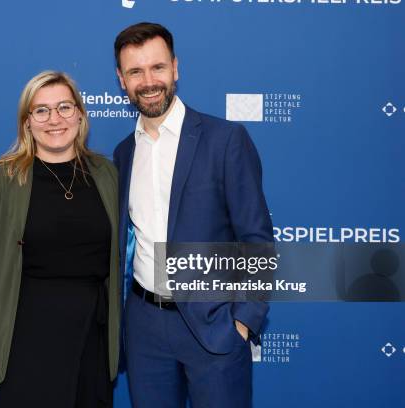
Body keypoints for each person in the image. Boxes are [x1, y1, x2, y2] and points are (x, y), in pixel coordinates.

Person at [112, 22, 273, 407]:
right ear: (121, 80)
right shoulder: (123, 154)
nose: (149, 81)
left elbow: (257, 238)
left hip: (215, 325)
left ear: (176, 68)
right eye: (135, 71)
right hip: (144, 327)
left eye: (158, 68)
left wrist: (243, 321)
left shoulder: (225, 140)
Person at [0, 71, 120, 407]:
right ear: (27, 122)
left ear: (80, 113)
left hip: (91, 336)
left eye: (64, 107)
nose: (54, 119)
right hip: (20, 335)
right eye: (41, 110)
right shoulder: (2, 177)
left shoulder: (107, 174)